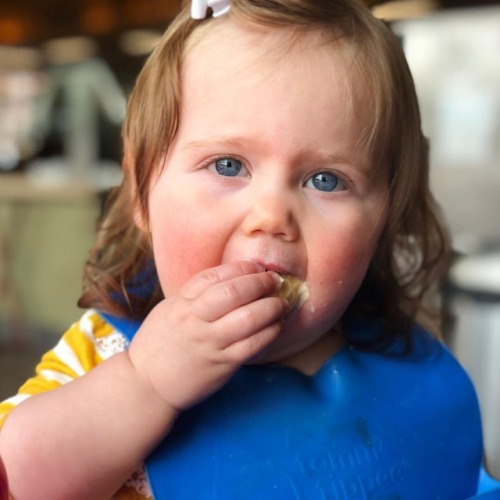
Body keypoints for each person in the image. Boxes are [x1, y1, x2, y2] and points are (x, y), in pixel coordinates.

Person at [0, 0, 484, 498]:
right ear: (142, 189)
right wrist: (146, 383)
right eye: (228, 165)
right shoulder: (108, 354)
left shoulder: (407, 368)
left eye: (326, 179)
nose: (271, 216)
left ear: (385, 218)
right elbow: (18, 480)